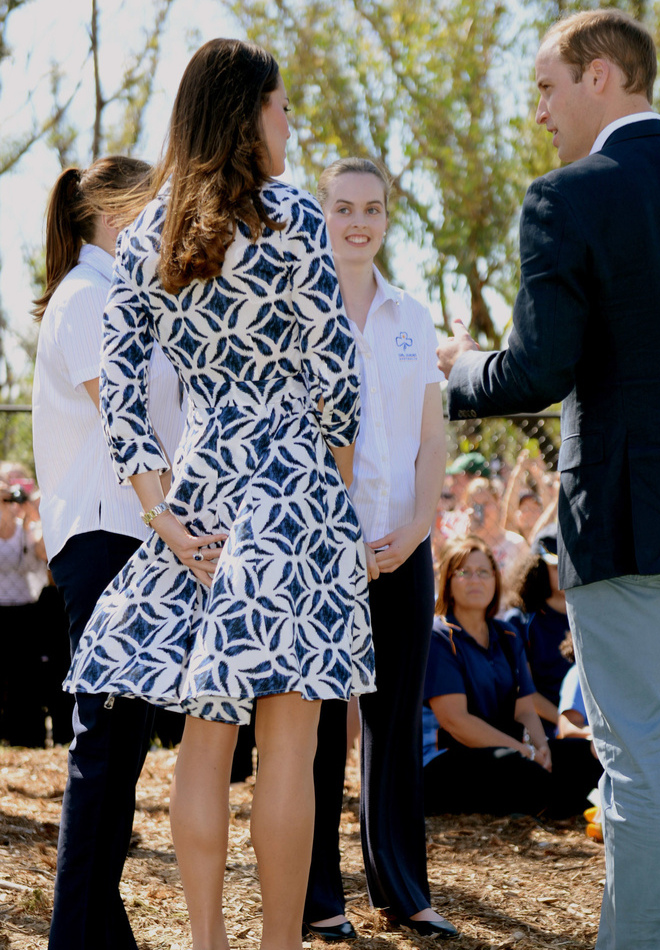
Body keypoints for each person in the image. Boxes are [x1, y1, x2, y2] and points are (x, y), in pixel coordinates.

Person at [437, 9, 660, 949]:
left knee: (636, 760)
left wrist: (452, 371)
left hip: (626, 514)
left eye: (549, 88)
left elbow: (534, 371)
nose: (541, 112)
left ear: (603, 76)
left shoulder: (567, 198)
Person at [63, 40, 374, 950]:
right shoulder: (293, 219)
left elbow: (122, 396)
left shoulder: (153, 228)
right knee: (289, 742)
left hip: (198, 492)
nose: (291, 125)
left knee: (204, 738)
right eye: (281, 107)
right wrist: (337, 487)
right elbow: (335, 375)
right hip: (293, 487)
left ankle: (206, 944)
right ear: (248, 113)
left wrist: (161, 511)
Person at [31, 155, 185, 949]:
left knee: (118, 749)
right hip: (111, 536)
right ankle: (75, 936)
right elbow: (126, 420)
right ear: (120, 214)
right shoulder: (91, 298)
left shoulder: (117, 297)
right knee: (107, 746)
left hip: (132, 536)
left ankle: (95, 932)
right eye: (156, 205)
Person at [303, 157, 451, 941]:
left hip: (405, 544)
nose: (358, 221)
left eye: (372, 209)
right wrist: (343, 539)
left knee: (395, 725)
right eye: (342, 208)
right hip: (321, 552)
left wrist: (418, 528)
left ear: (389, 218)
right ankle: (318, 896)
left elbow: (432, 437)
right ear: (321, 213)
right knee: (323, 725)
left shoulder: (412, 318)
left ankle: (403, 890)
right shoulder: (299, 309)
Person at [422, 536, 601, 818]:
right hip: (449, 760)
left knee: (587, 755)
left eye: (484, 572)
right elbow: (455, 722)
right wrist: (522, 750)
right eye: (464, 572)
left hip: (511, 752)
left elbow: (525, 709)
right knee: (517, 770)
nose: (475, 580)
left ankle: (552, 800)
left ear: (495, 580)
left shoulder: (507, 635)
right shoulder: (439, 637)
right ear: (448, 581)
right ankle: (554, 801)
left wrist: (541, 748)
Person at [503, 525, 572, 737]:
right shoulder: (520, 621)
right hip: (543, 732)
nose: (565, 572)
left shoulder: (593, 616)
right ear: (537, 569)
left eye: (571, 564)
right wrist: (566, 723)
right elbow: (523, 692)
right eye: (555, 566)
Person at [0, 470, 49, 747]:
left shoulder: (28, 528)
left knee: (25, 678)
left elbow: (44, 553)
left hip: (25, 610)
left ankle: (26, 737)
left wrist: (33, 514)